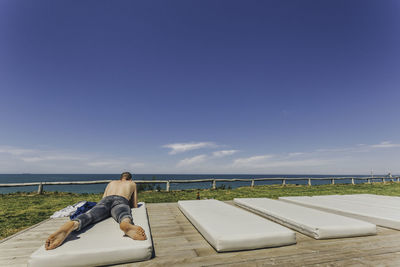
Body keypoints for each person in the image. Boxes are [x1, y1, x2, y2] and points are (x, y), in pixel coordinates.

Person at [45, 172, 147, 250]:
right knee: (123, 213)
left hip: (105, 200)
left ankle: (74, 224)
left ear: (121, 178)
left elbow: (103, 198)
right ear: (130, 178)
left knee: (90, 215)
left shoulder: (111, 183)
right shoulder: (132, 183)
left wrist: (104, 208)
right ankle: (125, 224)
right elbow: (134, 205)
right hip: (121, 200)